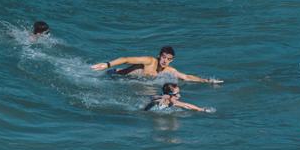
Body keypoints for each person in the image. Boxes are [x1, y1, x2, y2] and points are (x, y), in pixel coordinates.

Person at [91, 45, 222, 83]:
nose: (165, 60)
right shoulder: (150, 61)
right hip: (113, 76)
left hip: (128, 82)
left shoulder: (168, 70)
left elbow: (186, 77)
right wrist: (107, 64)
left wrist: (206, 80)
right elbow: (126, 59)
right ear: (159, 56)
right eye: (163, 57)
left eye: (169, 59)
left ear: (172, 60)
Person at [144, 83, 211, 112]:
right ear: (169, 95)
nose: (179, 96)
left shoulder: (173, 102)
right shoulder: (159, 101)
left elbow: (186, 105)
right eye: (176, 94)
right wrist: (161, 97)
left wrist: (200, 109)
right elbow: (152, 99)